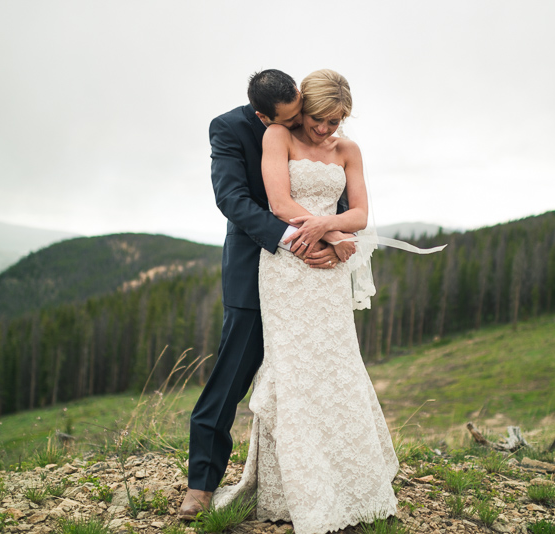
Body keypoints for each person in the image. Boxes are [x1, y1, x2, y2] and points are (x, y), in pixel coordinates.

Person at [211, 69, 398, 534]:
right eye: (318, 119)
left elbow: (360, 212)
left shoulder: (348, 150)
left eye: (335, 122)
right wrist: (329, 231)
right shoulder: (278, 135)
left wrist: (337, 232)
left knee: (336, 366)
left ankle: (354, 485)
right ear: (302, 109)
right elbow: (278, 203)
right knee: (293, 369)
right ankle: (295, 490)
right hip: (290, 263)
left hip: (330, 272)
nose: (325, 129)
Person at [179, 69, 345, 520]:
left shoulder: (311, 118)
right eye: (290, 121)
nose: (301, 127)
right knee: (230, 380)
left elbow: (335, 188)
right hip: (255, 273)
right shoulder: (230, 128)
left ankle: (322, 483)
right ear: (262, 114)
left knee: (317, 380)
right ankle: (201, 485)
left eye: (302, 116)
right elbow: (232, 199)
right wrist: (299, 240)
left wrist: (334, 237)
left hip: (314, 279)